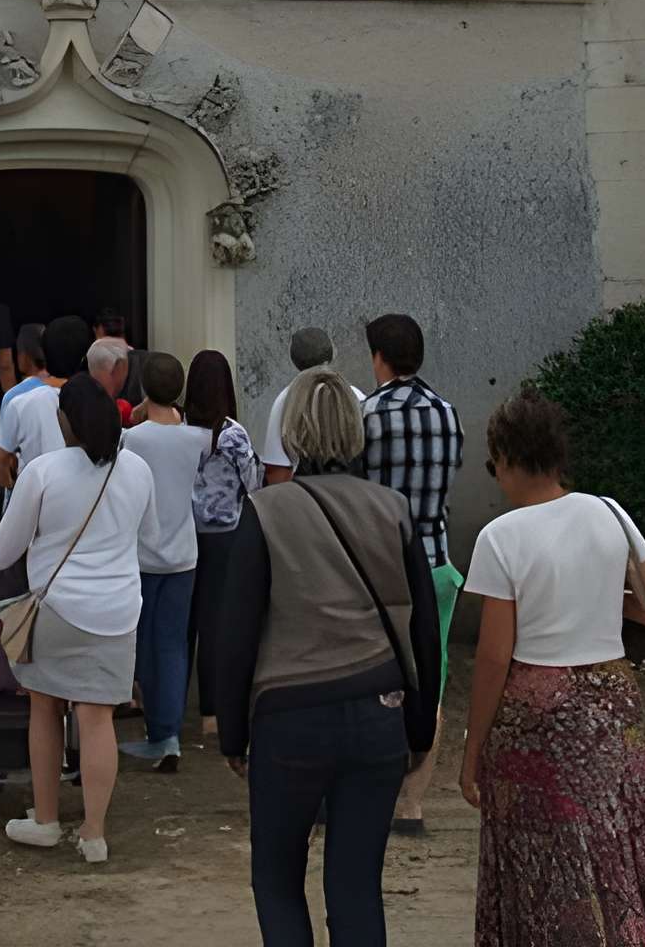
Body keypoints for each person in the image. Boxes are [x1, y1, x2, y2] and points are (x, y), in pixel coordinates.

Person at [457, 391, 645, 947]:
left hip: (537, 717)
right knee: (621, 839)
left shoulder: (500, 538)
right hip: (610, 705)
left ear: (506, 456)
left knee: (546, 860)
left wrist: (472, 754)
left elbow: (494, 657)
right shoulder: (610, 513)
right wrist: (611, 598)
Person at [203, 370, 442, 947]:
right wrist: (418, 727)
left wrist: (232, 734)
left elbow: (234, 634)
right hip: (378, 709)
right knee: (358, 886)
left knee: (279, 879)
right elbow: (424, 628)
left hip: (289, 717)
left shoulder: (266, 511)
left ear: (293, 432)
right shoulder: (393, 510)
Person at [0, 372, 166, 864]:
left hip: (56, 608)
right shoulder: (138, 470)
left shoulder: (43, 472)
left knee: (45, 708)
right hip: (119, 610)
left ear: (67, 422)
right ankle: (94, 834)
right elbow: (149, 536)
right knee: (98, 718)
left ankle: (45, 819)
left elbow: (3, 555)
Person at [359, 312, 465, 834]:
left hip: (379, 568)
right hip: (436, 558)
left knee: (371, 679)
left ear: (378, 357)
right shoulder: (449, 414)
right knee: (432, 681)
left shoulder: (367, 415)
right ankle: (412, 805)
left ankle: (368, 791)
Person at [118, 348, 207, 767]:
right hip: (184, 554)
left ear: (142, 389)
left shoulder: (131, 439)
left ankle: (155, 729)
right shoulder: (198, 438)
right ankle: (168, 734)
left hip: (140, 554)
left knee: (142, 643)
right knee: (173, 644)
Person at [181, 346, 261, 744]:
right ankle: (210, 714)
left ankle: (171, 709)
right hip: (225, 537)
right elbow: (255, 484)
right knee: (214, 625)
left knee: (182, 626)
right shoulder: (232, 434)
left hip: (183, 535)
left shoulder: (178, 428)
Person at [0, 312, 92, 492]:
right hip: (84, 502)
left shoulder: (17, 398)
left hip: (32, 504)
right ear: (86, 357)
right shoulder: (97, 399)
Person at [260, 325, 365, 484]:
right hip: (353, 493)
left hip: (306, 498)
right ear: (332, 353)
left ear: (294, 359)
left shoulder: (285, 400)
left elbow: (277, 472)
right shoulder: (354, 396)